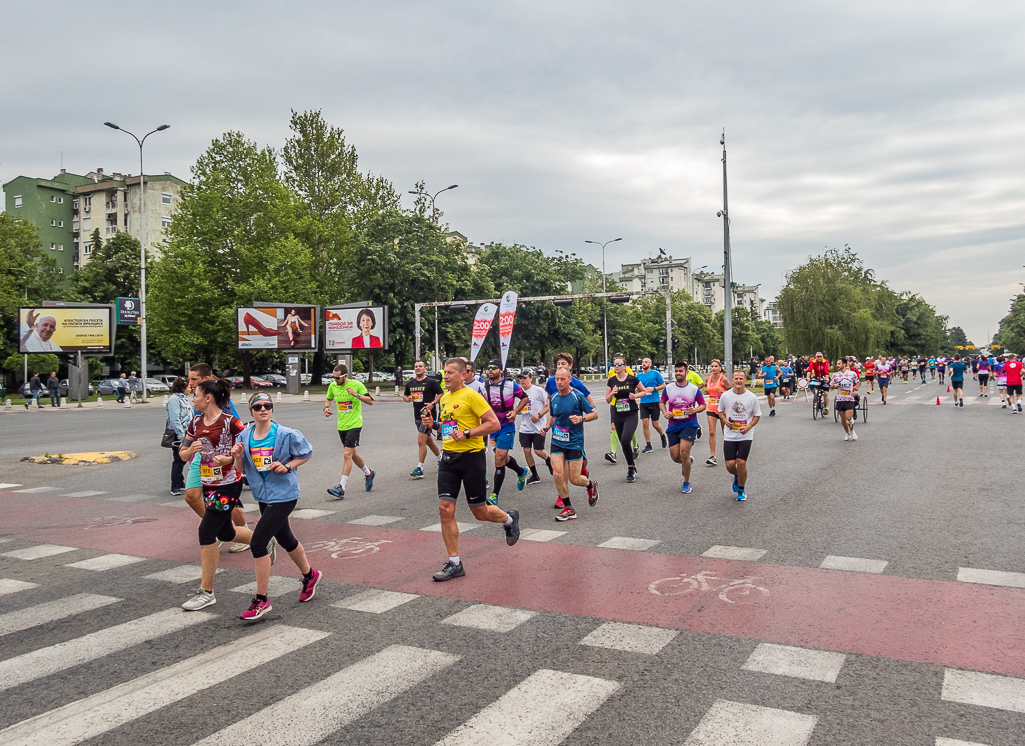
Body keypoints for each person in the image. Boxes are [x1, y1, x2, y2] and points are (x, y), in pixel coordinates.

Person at [420, 357, 520, 581]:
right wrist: (433, 425)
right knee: (445, 508)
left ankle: (509, 520)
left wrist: (467, 434)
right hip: (448, 459)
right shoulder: (445, 398)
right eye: (444, 372)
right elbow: (449, 428)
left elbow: (493, 424)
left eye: (450, 373)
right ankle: (455, 563)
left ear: (463, 374)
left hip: (472, 458)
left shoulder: (473, 396)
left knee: (479, 512)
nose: (445, 376)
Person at [233, 393, 321, 620]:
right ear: (251, 411)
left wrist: (288, 466)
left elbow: (306, 453)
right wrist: (236, 456)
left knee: (258, 542)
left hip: (284, 494)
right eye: (258, 406)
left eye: (268, 406)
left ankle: (261, 600)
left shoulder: (286, 434)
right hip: (263, 494)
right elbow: (241, 467)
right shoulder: (244, 435)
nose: (264, 409)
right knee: (285, 539)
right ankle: (310, 575)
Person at [180, 378, 256, 611]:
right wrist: (189, 450)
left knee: (206, 531)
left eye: (196, 395)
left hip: (228, 484)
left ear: (208, 398)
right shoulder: (195, 422)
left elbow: (249, 449)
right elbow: (182, 453)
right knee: (226, 531)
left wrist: (231, 459)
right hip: (209, 483)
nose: (193, 399)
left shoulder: (230, 422)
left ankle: (206, 592)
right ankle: (262, 539)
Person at [540, 368, 599, 521]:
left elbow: (594, 414)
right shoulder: (553, 397)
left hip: (574, 442)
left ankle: (590, 484)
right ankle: (569, 508)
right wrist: (547, 426)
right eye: (557, 380)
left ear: (569, 380)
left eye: (562, 379)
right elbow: (552, 416)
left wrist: (582, 419)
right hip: (557, 441)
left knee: (575, 479)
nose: (559, 382)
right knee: (557, 474)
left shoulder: (577, 396)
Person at [324, 363, 375, 498]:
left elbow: (370, 401)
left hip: (355, 424)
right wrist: (326, 408)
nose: (335, 380)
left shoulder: (357, 385)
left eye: (337, 378)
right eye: (333, 377)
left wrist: (356, 395)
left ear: (345, 376)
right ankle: (368, 473)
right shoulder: (333, 386)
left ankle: (341, 487)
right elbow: (329, 398)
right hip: (342, 425)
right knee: (352, 454)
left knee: (347, 454)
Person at [661, 361, 706, 493]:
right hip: (674, 424)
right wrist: (665, 412)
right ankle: (688, 462)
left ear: (686, 372)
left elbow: (703, 405)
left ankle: (686, 482)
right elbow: (662, 402)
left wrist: (695, 410)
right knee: (676, 457)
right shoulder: (668, 388)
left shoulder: (693, 389)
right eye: (676, 371)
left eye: (681, 371)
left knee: (684, 452)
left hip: (689, 424)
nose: (678, 373)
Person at [717, 370, 761, 501]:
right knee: (730, 465)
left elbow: (757, 415)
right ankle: (737, 476)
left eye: (741, 379)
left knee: (741, 462)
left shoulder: (751, 397)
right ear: (732, 381)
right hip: (730, 434)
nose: (738, 381)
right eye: (736, 379)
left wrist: (748, 427)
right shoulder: (726, 396)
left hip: (745, 435)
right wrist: (725, 421)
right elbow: (720, 412)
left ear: (745, 381)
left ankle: (741, 489)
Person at [605, 355, 649, 483]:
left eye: (619, 364)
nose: (616, 367)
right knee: (623, 441)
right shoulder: (612, 381)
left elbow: (644, 391)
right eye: (615, 365)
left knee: (625, 440)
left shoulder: (632, 379)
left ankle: (630, 468)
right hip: (618, 413)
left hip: (631, 413)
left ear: (624, 366)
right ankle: (632, 467)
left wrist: (635, 395)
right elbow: (607, 400)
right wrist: (612, 393)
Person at [404, 360, 444, 478]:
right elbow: (405, 395)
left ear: (425, 369)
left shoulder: (431, 382)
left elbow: (440, 393)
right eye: (416, 366)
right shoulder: (410, 383)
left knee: (421, 440)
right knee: (428, 441)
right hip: (417, 415)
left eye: (420, 366)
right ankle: (441, 459)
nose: (418, 368)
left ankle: (420, 468)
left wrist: (433, 403)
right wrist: (408, 399)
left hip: (428, 415)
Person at [513, 370, 549, 486]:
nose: (522, 380)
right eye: (520, 378)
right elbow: (517, 410)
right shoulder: (519, 393)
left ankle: (549, 461)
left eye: (524, 378)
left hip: (538, 426)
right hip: (525, 427)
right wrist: (519, 411)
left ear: (530, 379)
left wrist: (539, 415)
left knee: (538, 451)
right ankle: (535, 475)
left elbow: (548, 406)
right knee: (526, 450)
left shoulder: (538, 390)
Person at [636, 358, 668, 452]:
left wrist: (654, 389)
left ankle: (662, 435)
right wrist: (636, 391)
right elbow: (637, 388)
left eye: (646, 362)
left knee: (655, 424)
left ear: (650, 364)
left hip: (654, 401)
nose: (644, 363)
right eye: (642, 362)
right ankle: (648, 445)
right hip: (643, 402)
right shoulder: (639, 376)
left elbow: (663, 385)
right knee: (645, 423)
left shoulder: (655, 374)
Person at [167, 377, 191, 496]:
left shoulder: (184, 399)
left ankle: (180, 482)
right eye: (188, 387)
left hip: (188, 432)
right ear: (182, 388)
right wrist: (181, 436)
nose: (190, 389)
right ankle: (175, 486)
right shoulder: (174, 400)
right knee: (178, 459)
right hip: (179, 434)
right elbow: (175, 419)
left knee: (183, 459)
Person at [702, 359, 729, 466]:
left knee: (725, 432)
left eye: (716, 366)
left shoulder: (723, 380)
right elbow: (708, 389)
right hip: (711, 407)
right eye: (712, 366)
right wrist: (707, 391)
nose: (713, 368)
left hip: (722, 409)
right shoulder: (708, 379)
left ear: (720, 368)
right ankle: (713, 456)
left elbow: (731, 392)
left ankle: (729, 453)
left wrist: (723, 392)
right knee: (712, 432)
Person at [830, 359, 861, 440]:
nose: (837, 365)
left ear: (844, 364)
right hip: (840, 398)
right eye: (837, 363)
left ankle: (852, 431)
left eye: (839, 363)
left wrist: (856, 390)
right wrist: (835, 386)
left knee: (848, 417)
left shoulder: (852, 374)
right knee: (843, 418)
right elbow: (831, 385)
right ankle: (847, 433)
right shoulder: (835, 375)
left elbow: (858, 382)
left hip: (849, 398)